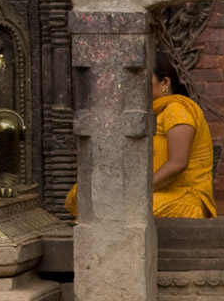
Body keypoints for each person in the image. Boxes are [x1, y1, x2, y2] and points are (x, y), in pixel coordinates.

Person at [65, 50, 216, 219]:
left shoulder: (177, 110)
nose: (137, 86)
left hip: (183, 198)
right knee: (81, 194)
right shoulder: (154, 113)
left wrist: (137, 192)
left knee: (114, 210)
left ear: (165, 82)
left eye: (144, 79)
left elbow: (178, 163)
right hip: (155, 192)